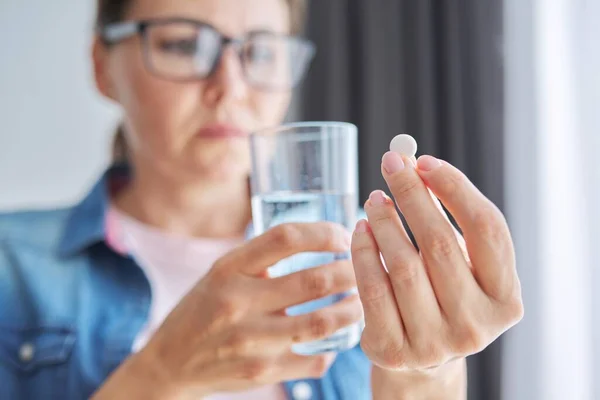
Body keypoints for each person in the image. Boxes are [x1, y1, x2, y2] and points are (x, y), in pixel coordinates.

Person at [0, 0, 524, 398]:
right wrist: (160, 373)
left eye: (261, 51)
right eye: (183, 45)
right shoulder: (11, 266)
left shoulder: (369, 267)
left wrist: (430, 367)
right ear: (101, 65)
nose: (230, 88)